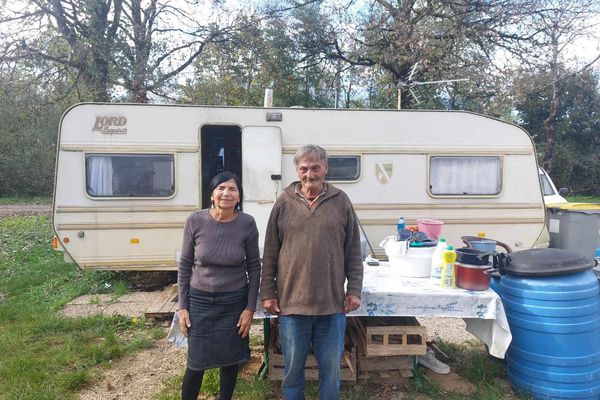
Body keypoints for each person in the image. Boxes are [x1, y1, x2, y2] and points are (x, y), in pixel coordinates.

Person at [260, 145, 363, 400]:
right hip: (292, 305)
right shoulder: (284, 202)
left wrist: (354, 290)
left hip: (331, 305)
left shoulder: (341, 201)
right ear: (297, 170)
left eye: (315, 167)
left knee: (331, 370)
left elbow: (352, 251)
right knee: (293, 371)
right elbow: (271, 250)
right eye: (304, 168)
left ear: (325, 168)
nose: (310, 174)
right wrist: (268, 292)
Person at [177, 171, 260, 400]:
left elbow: (254, 267)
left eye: (233, 189)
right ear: (212, 194)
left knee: (231, 360)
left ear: (239, 197)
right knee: (196, 363)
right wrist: (182, 307)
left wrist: (249, 308)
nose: (226, 193)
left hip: (234, 302)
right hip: (200, 301)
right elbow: (184, 265)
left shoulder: (247, 224)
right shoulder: (195, 220)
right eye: (221, 188)